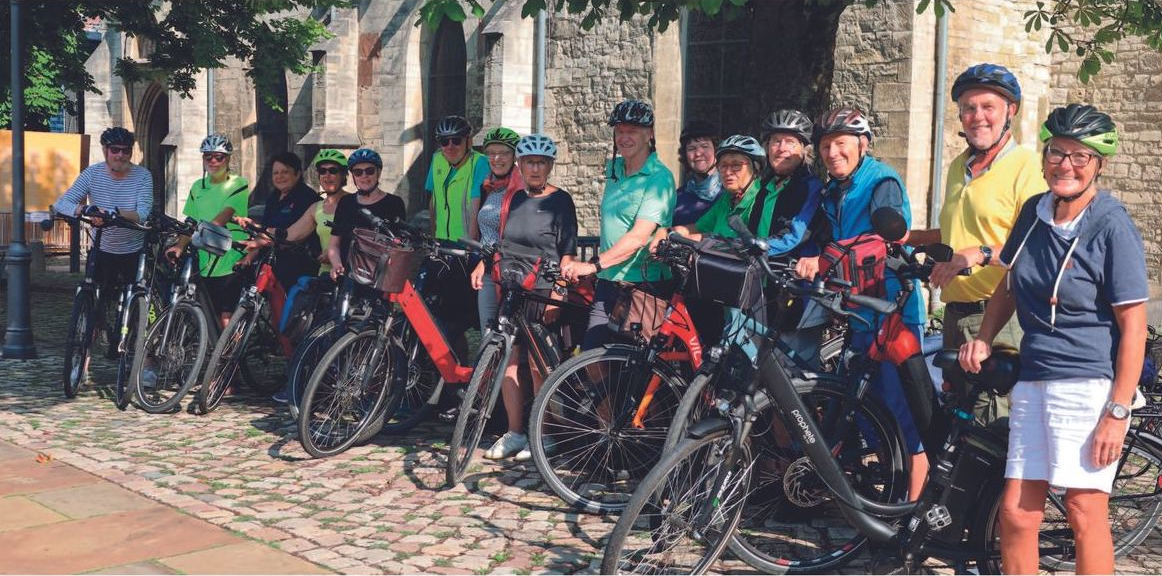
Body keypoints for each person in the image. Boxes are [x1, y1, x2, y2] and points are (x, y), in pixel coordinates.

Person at [960, 104, 1146, 575]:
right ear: (1044, 159)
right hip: (1034, 377)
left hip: (1086, 385)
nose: (1066, 165)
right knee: (1017, 515)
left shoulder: (1111, 225)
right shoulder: (1034, 212)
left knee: (1085, 511)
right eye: (1057, 154)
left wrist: (1117, 412)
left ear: (1098, 164)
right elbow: (1007, 284)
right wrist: (983, 337)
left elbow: (1134, 326)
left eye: (1080, 157)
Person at [794, 106, 929, 500]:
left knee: (904, 416)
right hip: (858, 310)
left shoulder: (881, 180)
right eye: (825, 146)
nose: (833, 152)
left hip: (892, 311)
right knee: (870, 412)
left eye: (841, 144)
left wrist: (824, 259)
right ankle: (893, 498)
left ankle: (914, 511)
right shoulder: (835, 189)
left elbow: (884, 239)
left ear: (862, 144)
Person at [909, 63, 1045, 428]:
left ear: (1009, 112)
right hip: (955, 314)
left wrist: (979, 253)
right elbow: (957, 231)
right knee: (960, 420)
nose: (977, 116)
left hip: (1001, 316)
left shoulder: (1028, 167)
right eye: (969, 108)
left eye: (988, 107)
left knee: (994, 425)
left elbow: (1033, 245)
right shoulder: (959, 165)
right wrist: (912, 237)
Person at [473, 134, 578, 461]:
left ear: (549, 167)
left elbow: (567, 252)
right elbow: (500, 239)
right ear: (521, 165)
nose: (535, 168)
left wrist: (559, 287)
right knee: (509, 358)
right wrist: (484, 263)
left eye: (541, 163)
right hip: (512, 286)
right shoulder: (514, 198)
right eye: (529, 162)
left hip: (543, 289)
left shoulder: (561, 201)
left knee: (537, 363)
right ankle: (515, 432)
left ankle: (543, 434)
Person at [562, 99, 676, 350]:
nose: (623, 137)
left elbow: (638, 237)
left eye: (631, 131)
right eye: (619, 131)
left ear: (649, 134)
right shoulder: (614, 169)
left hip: (643, 285)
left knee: (635, 369)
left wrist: (592, 265)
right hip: (608, 280)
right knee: (590, 354)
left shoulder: (659, 178)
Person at [53, 127, 154, 354]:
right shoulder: (92, 174)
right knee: (93, 297)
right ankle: (87, 349)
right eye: (115, 150)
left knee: (138, 302)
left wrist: (112, 214)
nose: (120, 155)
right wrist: (86, 209)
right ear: (105, 151)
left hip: (132, 248)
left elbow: (143, 212)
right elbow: (62, 203)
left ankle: (145, 359)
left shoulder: (143, 176)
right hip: (102, 246)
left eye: (125, 151)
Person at [166, 133, 250, 328]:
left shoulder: (238, 184)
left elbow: (225, 215)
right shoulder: (198, 186)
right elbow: (192, 221)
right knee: (207, 312)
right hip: (205, 259)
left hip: (230, 257)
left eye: (218, 157)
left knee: (225, 316)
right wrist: (179, 246)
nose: (213, 161)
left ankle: (231, 357)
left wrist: (200, 232)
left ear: (228, 159)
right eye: (208, 156)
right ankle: (211, 355)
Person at [239, 152, 321, 291]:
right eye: (275, 173)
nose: (279, 176)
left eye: (285, 172)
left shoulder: (307, 198)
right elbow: (266, 230)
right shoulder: (273, 197)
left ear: (297, 173)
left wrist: (258, 242)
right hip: (272, 261)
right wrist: (248, 257)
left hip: (298, 265)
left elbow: (291, 235)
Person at [470, 127, 524, 334]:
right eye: (491, 153)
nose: (496, 158)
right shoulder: (489, 186)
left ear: (514, 156)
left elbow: (516, 234)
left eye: (504, 153)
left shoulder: (521, 189)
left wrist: (486, 262)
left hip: (511, 272)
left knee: (509, 337)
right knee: (488, 335)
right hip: (487, 271)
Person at [325, 148, 406, 280]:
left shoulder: (394, 203)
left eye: (369, 171)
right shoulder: (346, 203)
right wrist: (337, 265)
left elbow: (399, 245)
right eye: (358, 172)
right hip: (349, 275)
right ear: (353, 176)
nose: (364, 176)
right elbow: (334, 243)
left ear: (378, 173)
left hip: (379, 277)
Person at [426, 115, 489, 242]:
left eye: (456, 140)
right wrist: (433, 238)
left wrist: (471, 245)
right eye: (444, 142)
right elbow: (433, 201)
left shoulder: (480, 163)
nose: (450, 146)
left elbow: (476, 205)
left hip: (466, 244)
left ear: (469, 142)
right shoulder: (437, 159)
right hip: (441, 240)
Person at [673, 120, 721, 226]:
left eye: (705, 146)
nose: (698, 153)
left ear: (716, 151)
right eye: (692, 148)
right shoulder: (677, 197)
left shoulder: (729, 195)